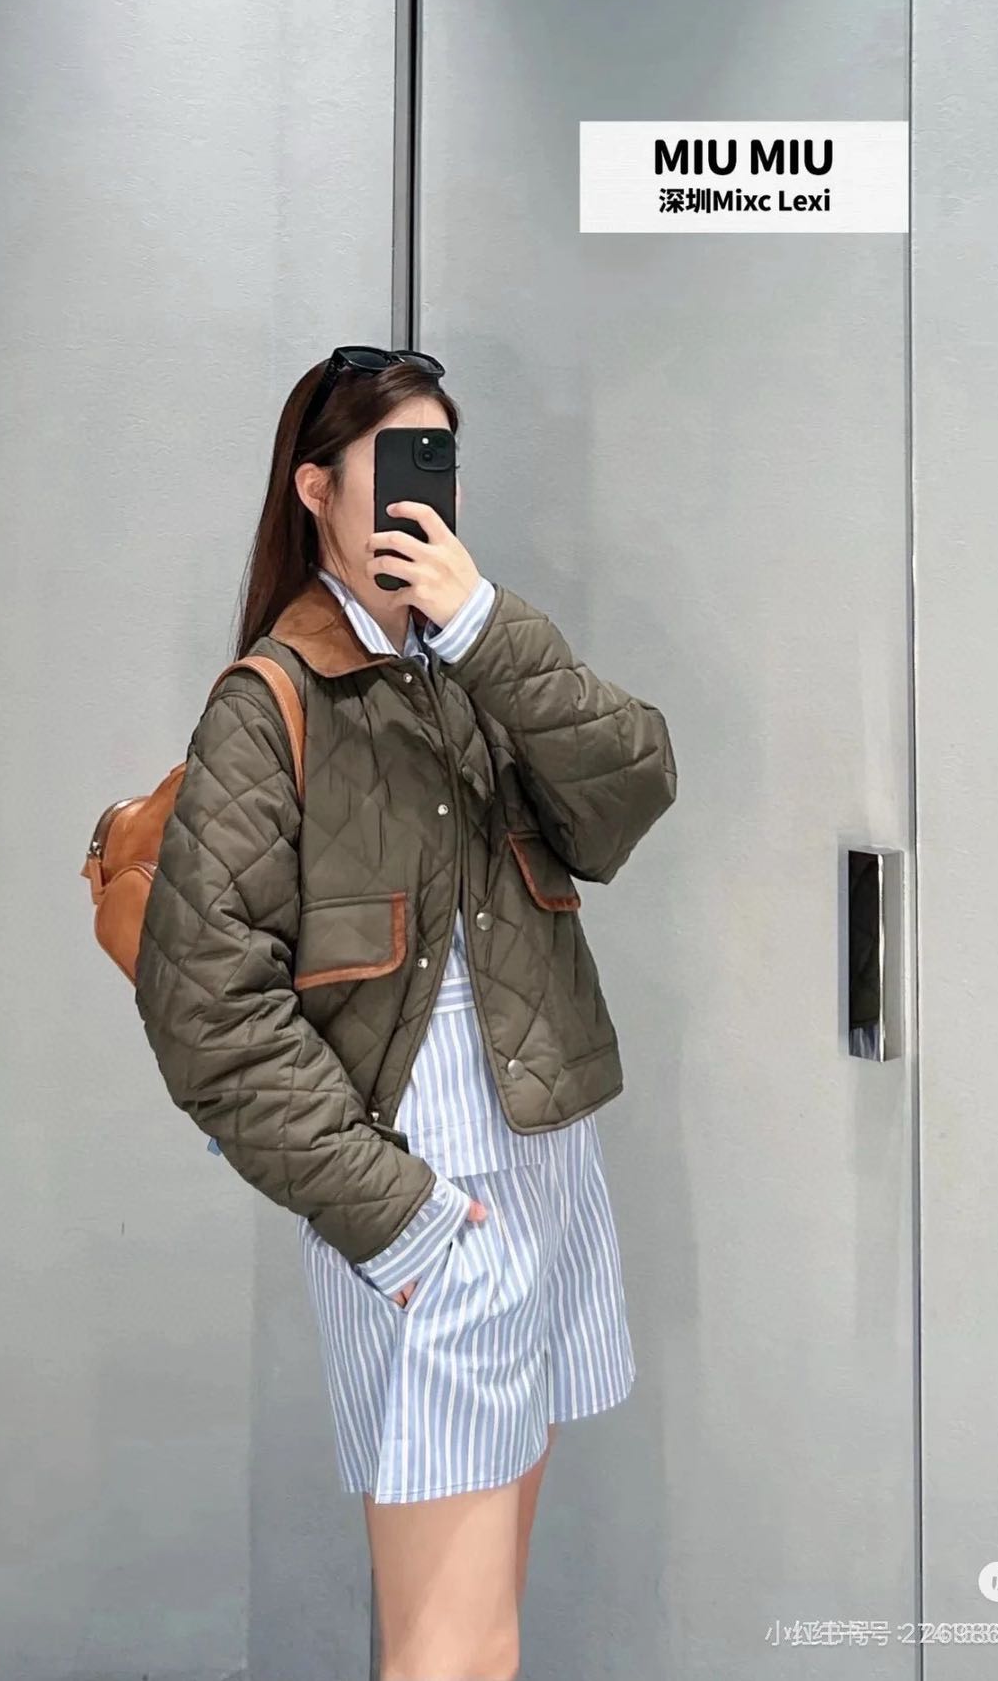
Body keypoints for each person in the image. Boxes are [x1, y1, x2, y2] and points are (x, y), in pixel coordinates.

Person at [134, 345, 677, 1681]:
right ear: (315, 489)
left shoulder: (472, 661)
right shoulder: (270, 704)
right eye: (392, 465)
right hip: (427, 1194)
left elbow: (630, 792)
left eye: (441, 464)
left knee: (486, 1637)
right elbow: (209, 1013)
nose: (423, 496)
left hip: (544, 1169)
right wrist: (403, 1220)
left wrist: (485, 625)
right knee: (452, 1653)